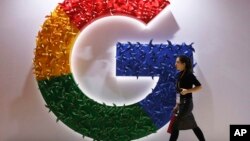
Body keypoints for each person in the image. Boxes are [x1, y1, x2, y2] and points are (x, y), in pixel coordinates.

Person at [169, 55, 206, 141]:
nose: (175, 64)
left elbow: (199, 87)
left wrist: (187, 91)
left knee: (175, 126)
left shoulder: (189, 75)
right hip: (181, 104)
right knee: (194, 126)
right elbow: (178, 92)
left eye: (177, 62)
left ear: (184, 64)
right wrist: (177, 105)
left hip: (187, 104)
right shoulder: (179, 75)